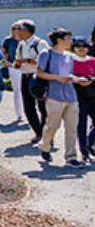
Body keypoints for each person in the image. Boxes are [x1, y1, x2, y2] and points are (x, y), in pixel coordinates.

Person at [37, 28, 82, 167]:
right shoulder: (46, 54)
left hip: (71, 96)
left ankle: (71, 157)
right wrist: (58, 78)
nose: (71, 41)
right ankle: (44, 146)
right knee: (52, 126)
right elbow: (40, 73)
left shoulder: (70, 56)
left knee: (72, 128)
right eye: (69, 38)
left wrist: (79, 80)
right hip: (54, 95)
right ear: (59, 40)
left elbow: (69, 75)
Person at [14, 20, 50, 143]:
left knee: (43, 107)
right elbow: (18, 58)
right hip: (25, 76)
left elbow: (46, 61)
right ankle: (38, 132)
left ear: (27, 31)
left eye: (19, 29)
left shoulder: (40, 43)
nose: (17, 32)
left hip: (39, 77)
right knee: (28, 107)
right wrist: (18, 64)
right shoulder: (21, 44)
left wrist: (26, 61)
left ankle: (47, 134)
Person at [71, 37, 95, 162]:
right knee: (81, 126)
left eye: (84, 46)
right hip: (77, 97)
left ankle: (89, 142)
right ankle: (84, 152)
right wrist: (78, 80)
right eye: (78, 46)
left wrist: (90, 79)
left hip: (92, 96)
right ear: (73, 48)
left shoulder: (92, 60)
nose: (81, 48)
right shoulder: (69, 60)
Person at [1, 23, 25, 124]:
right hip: (14, 68)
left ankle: (29, 112)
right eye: (14, 29)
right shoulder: (8, 41)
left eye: (18, 29)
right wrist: (7, 62)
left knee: (28, 90)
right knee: (17, 91)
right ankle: (19, 114)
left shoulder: (25, 41)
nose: (16, 30)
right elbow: (1, 52)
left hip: (26, 67)